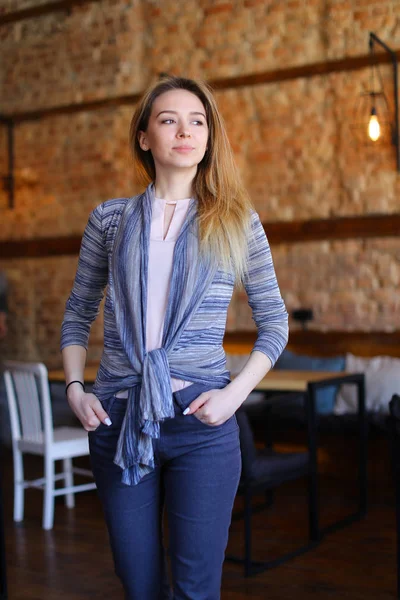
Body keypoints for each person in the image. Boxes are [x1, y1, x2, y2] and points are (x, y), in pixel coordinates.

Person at [61, 76, 288, 600]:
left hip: (201, 422)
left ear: (209, 137)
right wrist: (76, 389)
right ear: (145, 137)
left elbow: (274, 322)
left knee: (194, 588)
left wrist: (234, 396)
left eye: (197, 121)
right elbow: (78, 311)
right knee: (138, 585)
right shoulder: (110, 220)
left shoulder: (236, 222)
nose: (184, 131)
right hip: (120, 418)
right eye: (168, 120)